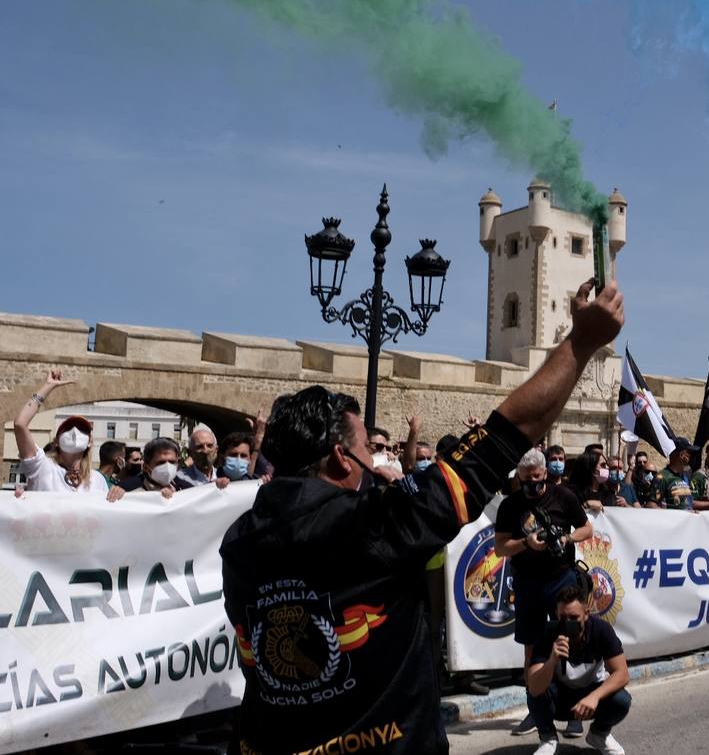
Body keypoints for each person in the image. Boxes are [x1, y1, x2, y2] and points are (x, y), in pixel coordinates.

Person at [218, 280, 622, 754]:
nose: (377, 460)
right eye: (368, 448)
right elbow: (506, 437)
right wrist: (583, 341)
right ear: (340, 460)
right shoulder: (375, 523)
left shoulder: (239, 542)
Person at [498, 450, 595, 738]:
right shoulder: (510, 505)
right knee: (532, 648)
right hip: (528, 582)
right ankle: (536, 709)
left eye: (537, 478)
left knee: (571, 641)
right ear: (519, 477)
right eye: (526, 479)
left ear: (544, 473)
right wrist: (526, 543)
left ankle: (574, 712)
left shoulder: (563, 497)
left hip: (561, 579)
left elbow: (587, 528)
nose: (533, 484)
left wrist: (566, 538)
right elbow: (500, 547)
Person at [525, 585, 631, 755]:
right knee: (533, 691)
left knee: (622, 699)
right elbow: (534, 687)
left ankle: (599, 734)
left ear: (587, 614)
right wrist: (552, 660)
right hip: (559, 698)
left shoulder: (601, 630)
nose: (568, 623)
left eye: (574, 617)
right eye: (563, 618)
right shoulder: (548, 633)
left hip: (590, 697)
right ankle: (548, 738)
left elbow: (622, 673)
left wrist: (594, 697)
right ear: (557, 615)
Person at [12, 371, 107, 495]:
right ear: (56, 441)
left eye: (82, 429)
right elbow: (20, 424)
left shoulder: (98, 480)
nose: (75, 432)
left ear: (90, 442)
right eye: (68, 429)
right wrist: (48, 386)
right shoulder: (42, 468)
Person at [109, 436, 197, 500]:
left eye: (172, 462)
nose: (168, 466)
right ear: (146, 467)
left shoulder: (188, 489)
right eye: (161, 463)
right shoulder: (126, 490)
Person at [658, 439, 697, 511]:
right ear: (681, 455)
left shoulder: (683, 476)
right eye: (689, 453)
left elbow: (687, 504)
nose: (691, 457)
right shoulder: (662, 477)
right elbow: (651, 505)